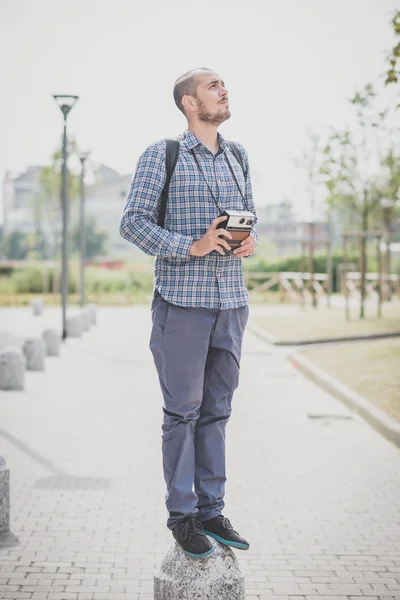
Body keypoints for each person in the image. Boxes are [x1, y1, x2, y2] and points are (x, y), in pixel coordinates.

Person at [119, 67, 258, 558]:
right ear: (189, 103)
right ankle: (182, 516)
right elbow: (132, 223)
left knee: (217, 412)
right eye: (213, 85)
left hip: (232, 306)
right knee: (182, 413)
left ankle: (211, 510)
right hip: (182, 306)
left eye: (225, 83)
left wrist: (246, 242)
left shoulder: (239, 155)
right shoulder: (163, 154)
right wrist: (192, 246)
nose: (224, 89)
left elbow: (249, 218)